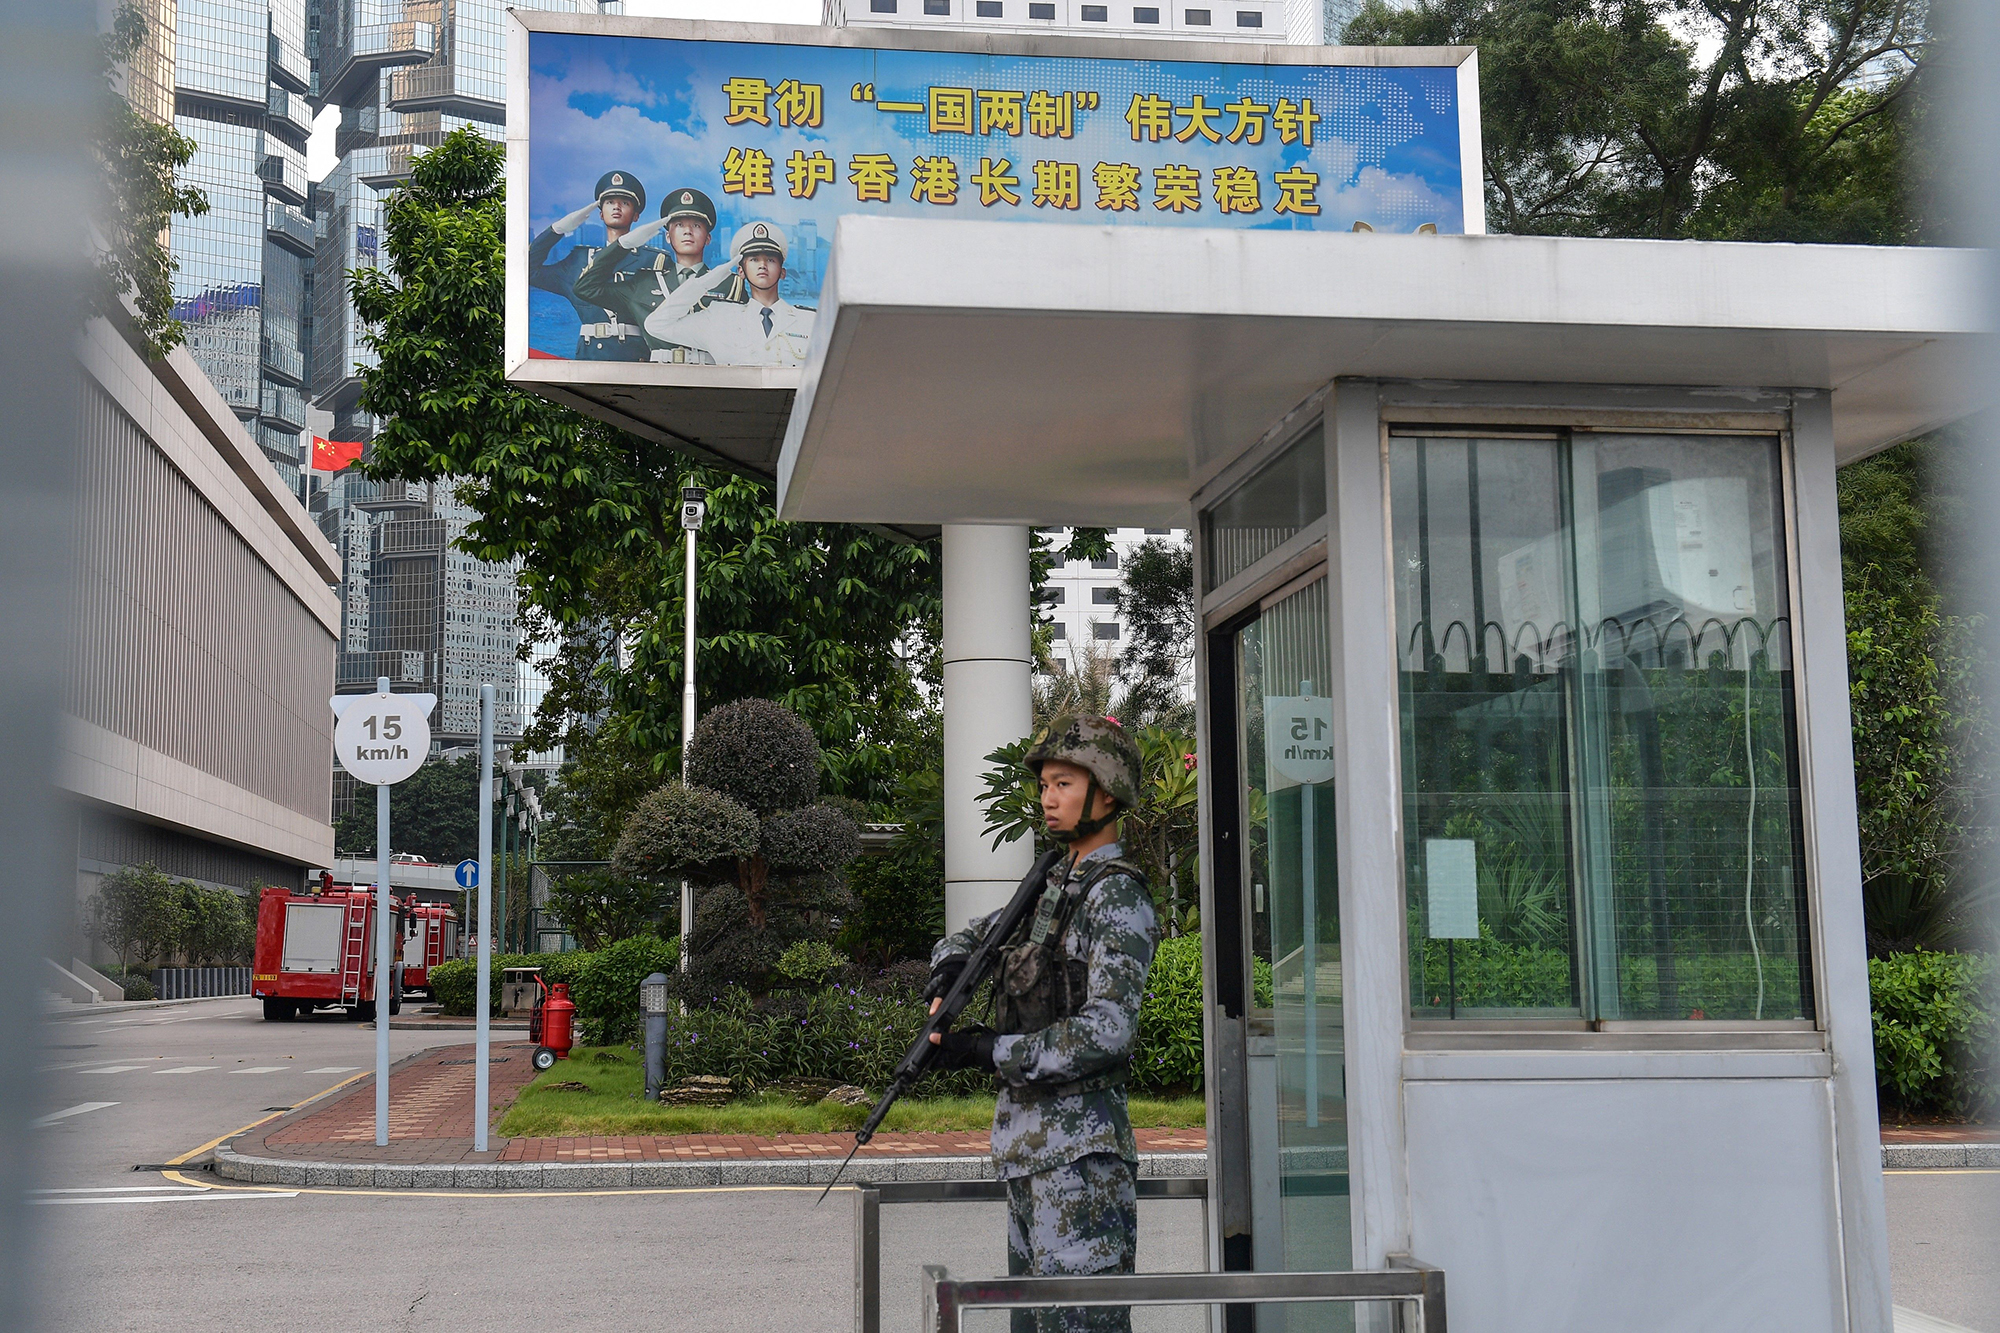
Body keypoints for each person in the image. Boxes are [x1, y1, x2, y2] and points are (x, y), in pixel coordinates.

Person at [924, 714, 1159, 1333]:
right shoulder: (1053, 881)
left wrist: (990, 1051)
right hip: (1032, 1155)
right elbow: (974, 936)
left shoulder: (1116, 897)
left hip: (1082, 1161)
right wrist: (948, 972)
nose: (1048, 797)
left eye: (1063, 783)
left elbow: (1108, 1030)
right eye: (1045, 784)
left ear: (1105, 793)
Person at [573, 186, 717, 363]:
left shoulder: (729, 283)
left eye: (696, 225)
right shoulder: (645, 283)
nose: (687, 231)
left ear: (708, 238)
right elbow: (585, 289)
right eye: (679, 225)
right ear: (668, 237)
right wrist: (622, 245)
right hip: (659, 376)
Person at [643, 220, 815, 367]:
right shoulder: (719, 318)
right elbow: (656, 325)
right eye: (754, 259)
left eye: (770, 259)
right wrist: (704, 283)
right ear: (741, 271)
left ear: (782, 272)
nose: (762, 265)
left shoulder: (809, 321)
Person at [525, 170, 654, 361]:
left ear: (636, 215)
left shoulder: (652, 260)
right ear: (601, 214)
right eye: (610, 202)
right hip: (591, 356)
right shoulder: (579, 260)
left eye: (625, 203)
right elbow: (530, 271)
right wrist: (557, 229)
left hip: (637, 359)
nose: (616, 207)